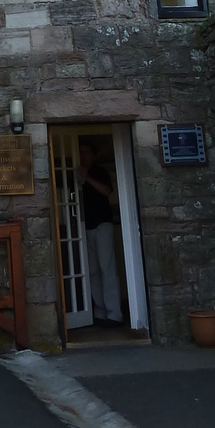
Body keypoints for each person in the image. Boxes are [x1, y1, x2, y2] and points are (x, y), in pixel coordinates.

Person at [77, 137, 123, 326]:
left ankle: (115, 313)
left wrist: (87, 178)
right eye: (81, 152)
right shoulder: (74, 174)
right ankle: (100, 312)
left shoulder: (100, 172)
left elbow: (107, 191)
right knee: (93, 271)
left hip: (102, 223)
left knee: (107, 268)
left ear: (93, 155)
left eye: (87, 152)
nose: (84, 155)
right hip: (83, 226)